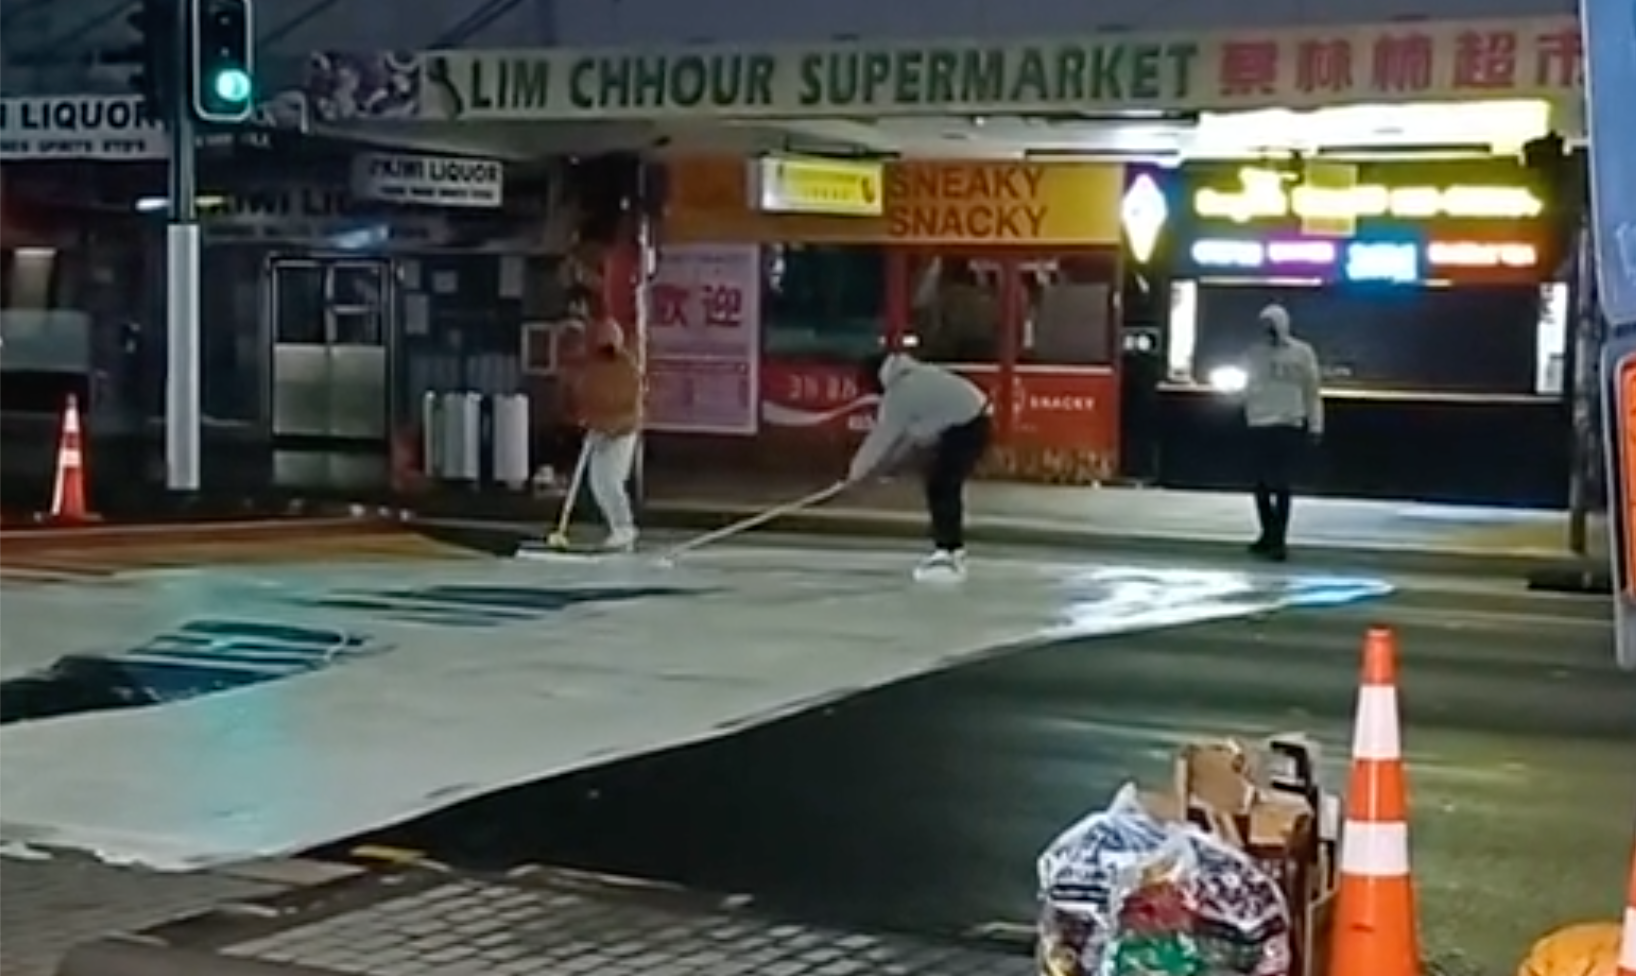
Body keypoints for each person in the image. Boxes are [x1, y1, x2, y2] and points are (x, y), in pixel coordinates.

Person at [846, 351, 992, 579]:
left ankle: (948, 551)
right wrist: (883, 468)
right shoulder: (916, 377)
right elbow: (907, 439)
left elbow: (881, 439)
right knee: (941, 484)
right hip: (974, 418)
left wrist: (855, 473)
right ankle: (951, 549)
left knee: (942, 485)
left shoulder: (900, 393)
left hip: (967, 424)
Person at [1242, 303, 1323, 561]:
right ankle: (1269, 533)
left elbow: (1312, 391)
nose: (1267, 330)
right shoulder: (1254, 353)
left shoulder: (1302, 353)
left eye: (1271, 325)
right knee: (1261, 484)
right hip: (1260, 423)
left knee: (1281, 483)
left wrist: (1315, 424)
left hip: (1288, 422)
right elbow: (1249, 386)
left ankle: (1278, 538)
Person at [568, 288, 643, 552]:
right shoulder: (590, 368)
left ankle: (624, 527)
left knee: (610, 479)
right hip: (601, 430)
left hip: (622, 431)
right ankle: (618, 527)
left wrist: (609, 425)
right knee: (598, 481)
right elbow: (585, 398)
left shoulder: (626, 368)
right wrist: (588, 421)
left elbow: (630, 405)